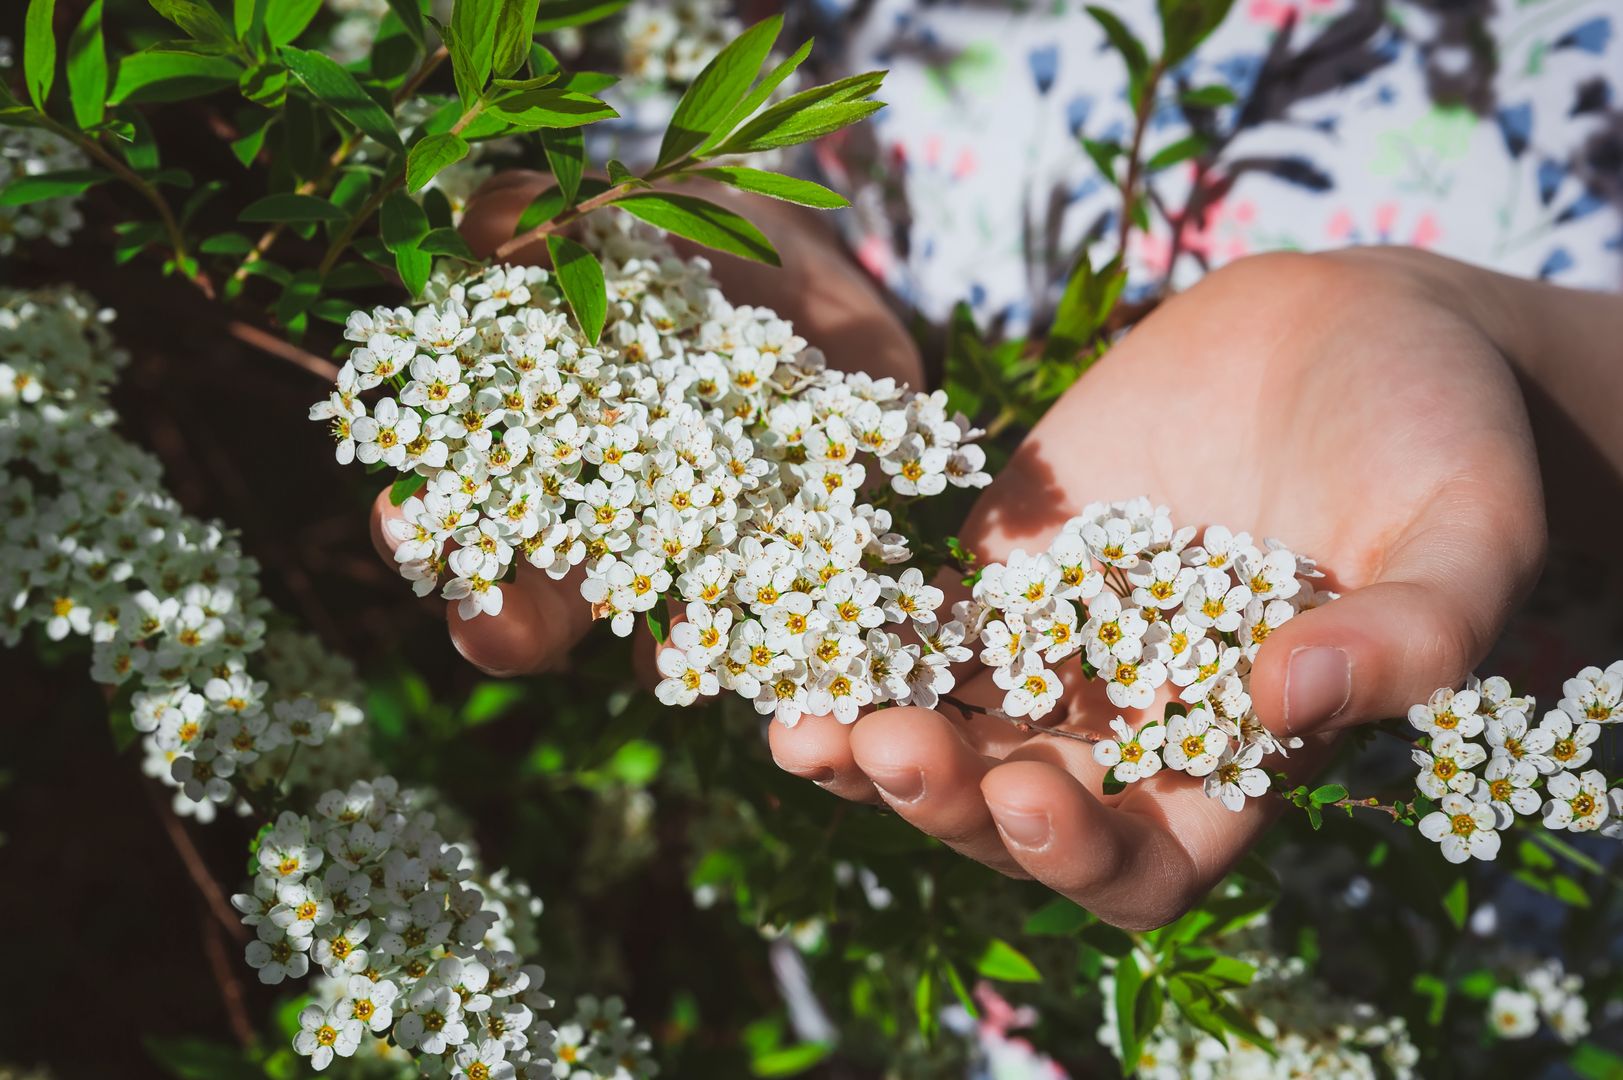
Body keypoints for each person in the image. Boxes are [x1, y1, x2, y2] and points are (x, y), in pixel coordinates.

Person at [371, 0, 1623, 930]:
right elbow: (775, 65)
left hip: (1412, 913)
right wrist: (742, 242)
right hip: (992, 684)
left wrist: (1486, 334)